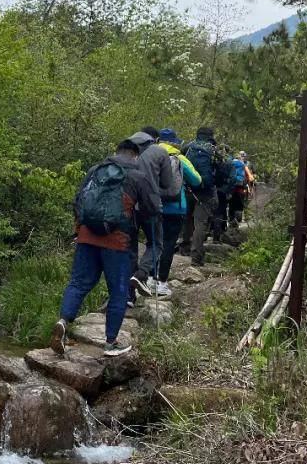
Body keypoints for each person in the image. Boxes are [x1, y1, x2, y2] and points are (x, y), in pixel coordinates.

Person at [50, 138, 156, 357]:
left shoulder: (95, 170)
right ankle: (111, 342)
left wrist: (79, 229)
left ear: (115, 151)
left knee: (78, 283)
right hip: (117, 241)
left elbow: (78, 200)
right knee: (118, 290)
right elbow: (152, 209)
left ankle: (62, 322)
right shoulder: (138, 175)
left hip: (87, 237)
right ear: (136, 155)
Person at [151, 128, 201, 296]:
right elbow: (197, 179)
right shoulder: (180, 158)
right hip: (175, 208)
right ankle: (162, 283)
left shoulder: (151, 156)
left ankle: (150, 278)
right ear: (174, 142)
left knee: (154, 243)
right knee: (168, 244)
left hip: (153, 207)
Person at [128, 127, 172, 298]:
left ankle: (128, 296)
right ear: (155, 138)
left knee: (130, 248)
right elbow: (167, 183)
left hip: (127, 206)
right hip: (150, 205)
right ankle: (141, 274)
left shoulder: (124, 149)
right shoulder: (159, 152)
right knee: (156, 244)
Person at [184, 126, 222, 268]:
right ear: (211, 135)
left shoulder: (188, 146)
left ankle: (184, 247)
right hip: (205, 192)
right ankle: (197, 257)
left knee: (187, 219)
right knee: (200, 223)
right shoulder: (214, 150)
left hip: (187, 189)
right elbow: (221, 170)